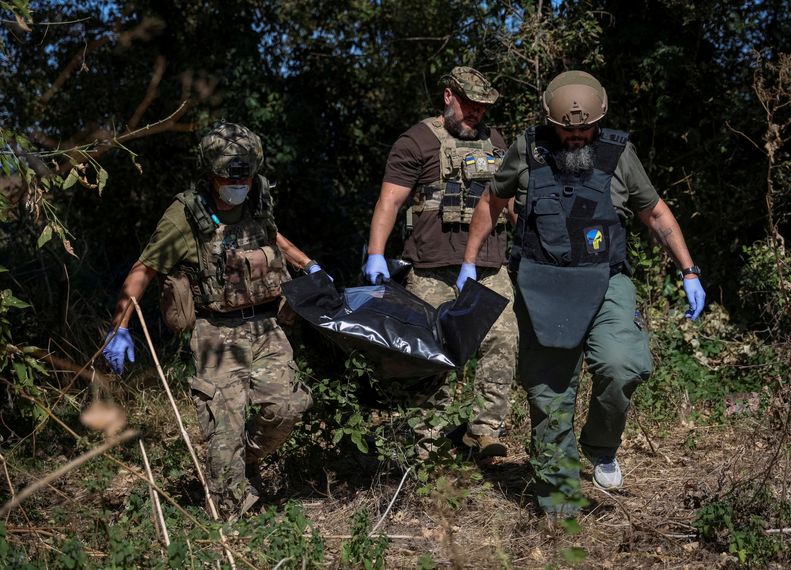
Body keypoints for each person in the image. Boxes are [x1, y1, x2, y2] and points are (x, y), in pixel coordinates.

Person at [458, 71, 706, 514]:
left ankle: (602, 446)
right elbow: (491, 202)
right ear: (552, 122)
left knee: (622, 362)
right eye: (568, 128)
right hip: (542, 283)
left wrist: (689, 271)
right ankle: (560, 504)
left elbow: (655, 213)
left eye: (585, 128)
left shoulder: (618, 152)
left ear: (599, 120)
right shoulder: (527, 149)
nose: (576, 135)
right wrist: (469, 262)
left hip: (607, 280)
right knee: (547, 392)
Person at [102, 123, 322, 519]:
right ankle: (231, 517)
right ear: (208, 171)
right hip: (216, 332)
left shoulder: (257, 197)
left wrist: (310, 266)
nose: (237, 182)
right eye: (228, 176)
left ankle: (242, 462)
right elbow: (143, 270)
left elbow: (273, 238)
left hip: (265, 325)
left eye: (244, 174)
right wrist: (120, 328)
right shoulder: (185, 214)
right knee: (225, 426)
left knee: (289, 405)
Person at [365, 66, 519, 458]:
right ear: (449, 96)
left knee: (502, 341)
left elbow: (512, 203)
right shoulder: (416, 141)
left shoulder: (497, 142)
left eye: (483, 108)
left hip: (489, 266)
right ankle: (428, 439)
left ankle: (483, 432)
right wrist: (376, 253)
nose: (476, 114)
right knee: (433, 353)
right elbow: (391, 201)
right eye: (469, 104)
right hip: (431, 267)